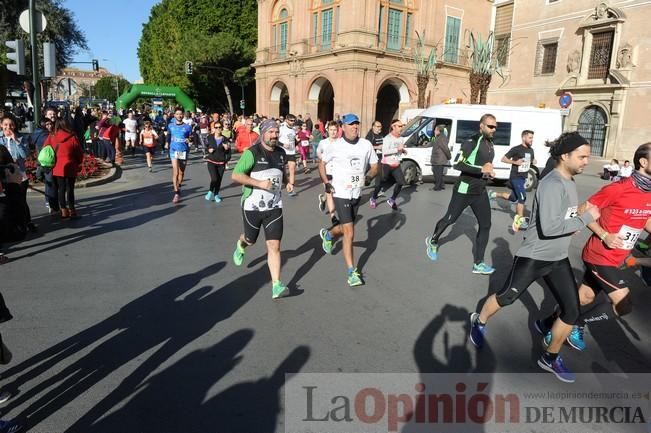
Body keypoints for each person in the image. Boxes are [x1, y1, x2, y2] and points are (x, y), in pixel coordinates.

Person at [468, 132, 599, 383]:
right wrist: (586, 218)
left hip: (558, 258)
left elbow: (561, 219)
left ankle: (549, 358)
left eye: (587, 157)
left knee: (572, 311)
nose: (586, 162)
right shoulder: (552, 184)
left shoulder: (569, 181)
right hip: (534, 257)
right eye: (582, 157)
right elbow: (549, 229)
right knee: (507, 296)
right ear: (565, 155)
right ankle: (479, 320)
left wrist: (575, 220)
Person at [535, 142, 651, 352]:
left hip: (618, 258)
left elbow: (644, 220)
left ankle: (547, 323)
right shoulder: (618, 188)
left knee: (584, 297)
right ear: (643, 162)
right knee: (624, 303)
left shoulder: (648, 193)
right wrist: (604, 235)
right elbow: (583, 211)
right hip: (600, 254)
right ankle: (577, 324)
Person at [425, 113, 497, 275]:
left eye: (495, 127)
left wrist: (488, 172)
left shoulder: (490, 143)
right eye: (490, 126)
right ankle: (433, 240)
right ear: (481, 126)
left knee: (486, 225)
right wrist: (481, 169)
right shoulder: (472, 141)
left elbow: (483, 165)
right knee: (450, 219)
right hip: (464, 189)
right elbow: (458, 164)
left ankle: (478, 263)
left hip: (480, 190)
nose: (494, 129)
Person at [231, 119, 290, 299]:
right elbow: (236, 175)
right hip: (252, 206)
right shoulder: (252, 153)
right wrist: (259, 183)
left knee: (274, 245)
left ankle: (276, 285)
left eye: (276, 132)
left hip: (274, 206)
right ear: (263, 133)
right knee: (251, 240)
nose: (274, 135)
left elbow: (281, 173)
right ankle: (241, 245)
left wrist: (286, 183)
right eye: (271, 132)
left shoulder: (281, 153)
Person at [318, 113, 378, 287]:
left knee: (345, 229)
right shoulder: (335, 146)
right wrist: (326, 183)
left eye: (357, 124)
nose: (355, 127)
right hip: (340, 192)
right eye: (351, 125)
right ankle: (352, 272)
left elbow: (375, 165)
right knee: (350, 232)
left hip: (356, 193)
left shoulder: (366, 145)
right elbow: (321, 163)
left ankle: (328, 234)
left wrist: (369, 177)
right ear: (342, 127)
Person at [489, 130, 537, 232]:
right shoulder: (516, 149)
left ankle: (493, 194)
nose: (532, 140)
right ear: (524, 138)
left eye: (532, 138)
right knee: (522, 198)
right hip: (516, 177)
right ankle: (518, 221)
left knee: (513, 198)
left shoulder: (531, 150)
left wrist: (533, 161)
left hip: (523, 177)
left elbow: (530, 160)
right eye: (530, 138)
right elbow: (503, 159)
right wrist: (515, 162)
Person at [43, 118, 84, 219]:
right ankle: (72, 210)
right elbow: (79, 152)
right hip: (70, 165)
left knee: (61, 189)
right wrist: (78, 162)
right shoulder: (72, 137)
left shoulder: (52, 136)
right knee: (70, 189)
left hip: (57, 166)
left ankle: (63, 211)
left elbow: (45, 148)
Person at [0, 116, 35, 232]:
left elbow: (25, 155)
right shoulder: (0, 138)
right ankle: (13, 224)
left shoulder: (21, 137)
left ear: (14, 126)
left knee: (21, 200)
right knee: (7, 202)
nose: (8, 127)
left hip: (19, 174)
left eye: (11, 125)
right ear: (1, 125)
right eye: (5, 124)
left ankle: (27, 222)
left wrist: (16, 140)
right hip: (3, 175)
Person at [369, 119, 407, 210]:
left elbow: (399, 150)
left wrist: (403, 151)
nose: (401, 128)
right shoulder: (387, 138)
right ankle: (373, 198)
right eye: (399, 126)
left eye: (402, 126)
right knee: (380, 184)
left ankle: (392, 200)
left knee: (401, 182)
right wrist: (397, 149)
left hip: (396, 165)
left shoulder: (401, 138)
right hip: (386, 164)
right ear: (393, 127)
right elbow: (385, 152)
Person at [316, 121, 340, 227]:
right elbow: (318, 152)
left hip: (338, 172)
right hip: (326, 172)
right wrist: (322, 159)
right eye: (331, 130)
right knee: (330, 194)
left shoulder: (341, 142)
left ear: (338, 130)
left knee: (333, 193)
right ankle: (333, 216)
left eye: (335, 130)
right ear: (328, 130)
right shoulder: (323, 142)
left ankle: (322, 199)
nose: (333, 132)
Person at [166, 108, 193, 204]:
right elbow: (168, 135)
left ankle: (179, 186)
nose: (179, 116)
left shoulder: (188, 127)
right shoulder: (170, 125)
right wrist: (166, 143)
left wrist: (189, 141)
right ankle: (176, 193)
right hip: (173, 150)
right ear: (174, 115)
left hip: (183, 151)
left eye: (180, 114)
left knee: (181, 173)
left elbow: (191, 138)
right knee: (175, 172)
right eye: (177, 114)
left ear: (183, 115)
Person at [205, 121, 231, 203]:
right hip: (211, 161)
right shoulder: (209, 137)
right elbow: (206, 147)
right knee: (214, 178)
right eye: (216, 127)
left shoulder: (225, 139)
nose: (218, 129)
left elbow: (229, 153)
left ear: (222, 128)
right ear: (214, 128)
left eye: (220, 127)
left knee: (219, 180)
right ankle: (210, 192)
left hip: (221, 163)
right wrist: (208, 150)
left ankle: (216, 194)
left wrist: (226, 149)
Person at [279, 114, 298, 197]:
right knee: (282, 171)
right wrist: (283, 144)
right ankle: (284, 184)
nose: (292, 122)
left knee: (292, 168)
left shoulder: (294, 129)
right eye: (291, 120)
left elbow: (293, 141)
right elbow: (275, 140)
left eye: (294, 120)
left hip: (292, 152)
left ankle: (291, 189)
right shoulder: (281, 128)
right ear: (286, 120)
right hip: (283, 152)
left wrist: (297, 142)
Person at [430, 124, 451, 191]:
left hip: (439, 159)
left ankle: (437, 187)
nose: (434, 131)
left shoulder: (442, 138)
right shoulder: (439, 137)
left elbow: (445, 148)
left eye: (435, 130)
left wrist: (449, 156)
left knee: (437, 173)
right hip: (437, 158)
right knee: (437, 172)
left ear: (439, 131)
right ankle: (442, 185)